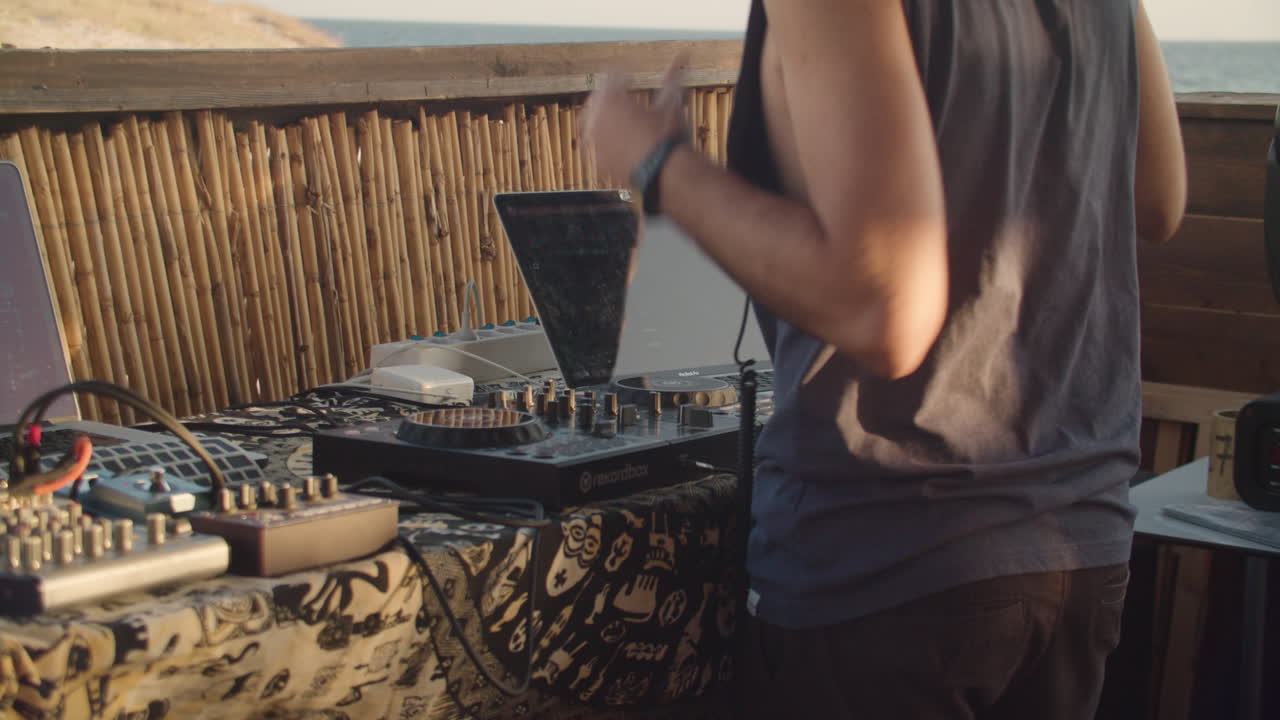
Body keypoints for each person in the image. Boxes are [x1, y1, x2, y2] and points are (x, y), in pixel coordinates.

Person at [583, 0, 1186, 717]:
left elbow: (882, 308)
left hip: (887, 562)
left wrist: (656, 163)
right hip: (1075, 542)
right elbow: (1158, 198)